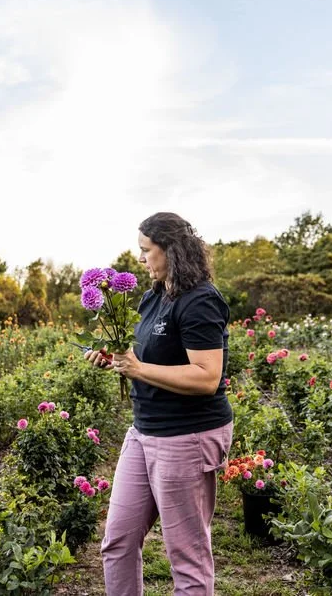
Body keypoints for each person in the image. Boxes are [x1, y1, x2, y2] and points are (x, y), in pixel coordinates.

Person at [84, 212, 233, 596]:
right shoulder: (153, 297)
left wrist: (138, 367)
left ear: (171, 250)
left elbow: (206, 377)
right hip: (145, 430)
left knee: (187, 558)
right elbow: (151, 359)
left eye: (145, 250)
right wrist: (118, 360)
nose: (140, 258)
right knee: (117, 541)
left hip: (187, 435)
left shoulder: (200, 301)